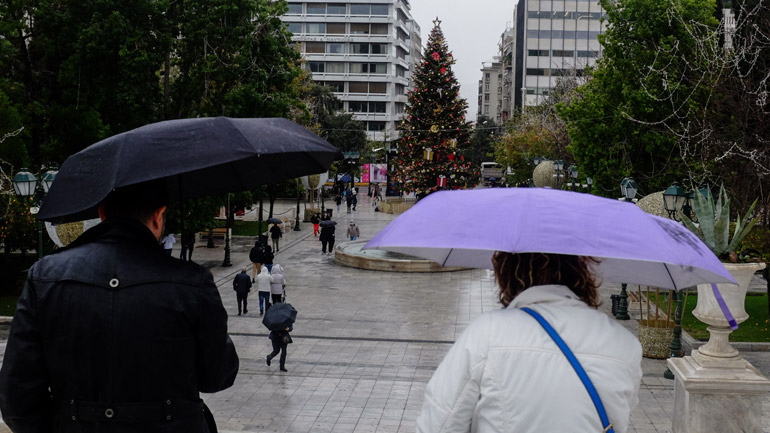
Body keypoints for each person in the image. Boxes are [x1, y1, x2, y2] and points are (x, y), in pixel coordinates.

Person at [0, 181, 239, 432]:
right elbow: (217, 376)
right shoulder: (191, 282)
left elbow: (17, 395)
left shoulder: (45, 276)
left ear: (102, 214)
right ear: (159, 216)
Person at [415, 252, 642, 433]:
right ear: (580, 272)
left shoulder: (487, 334)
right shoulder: (625, 344)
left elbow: (438, 424)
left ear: (507, 272)